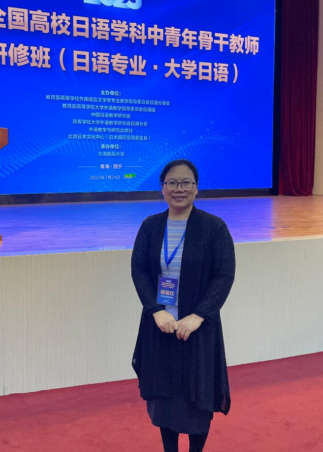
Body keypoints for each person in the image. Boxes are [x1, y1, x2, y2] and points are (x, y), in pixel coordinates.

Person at [131, 159, 235, 452]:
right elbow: (139, 270)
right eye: (172, 183)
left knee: (198, 396)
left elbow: (224, 275)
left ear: (196, 188)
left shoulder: (214, 227)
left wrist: (198, 316)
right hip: (160, 325)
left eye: (186, 182)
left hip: (197, 328)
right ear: (162, 188)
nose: (179, 189)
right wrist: (156, 310)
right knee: (163, 397)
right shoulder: (150, 226)